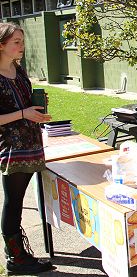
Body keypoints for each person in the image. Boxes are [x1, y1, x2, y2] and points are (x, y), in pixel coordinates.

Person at [0, 22, 54, 274]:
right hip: (11, 147)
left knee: (19, 200)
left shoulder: (18, 70)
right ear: (1, 46)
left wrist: (37, 110)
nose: (22, 47)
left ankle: (18, 255)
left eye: (22, 41)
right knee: (14, 202)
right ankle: (15, 258)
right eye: (16, 43)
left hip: (31, 142)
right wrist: (24, 112)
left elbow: (24, 102)